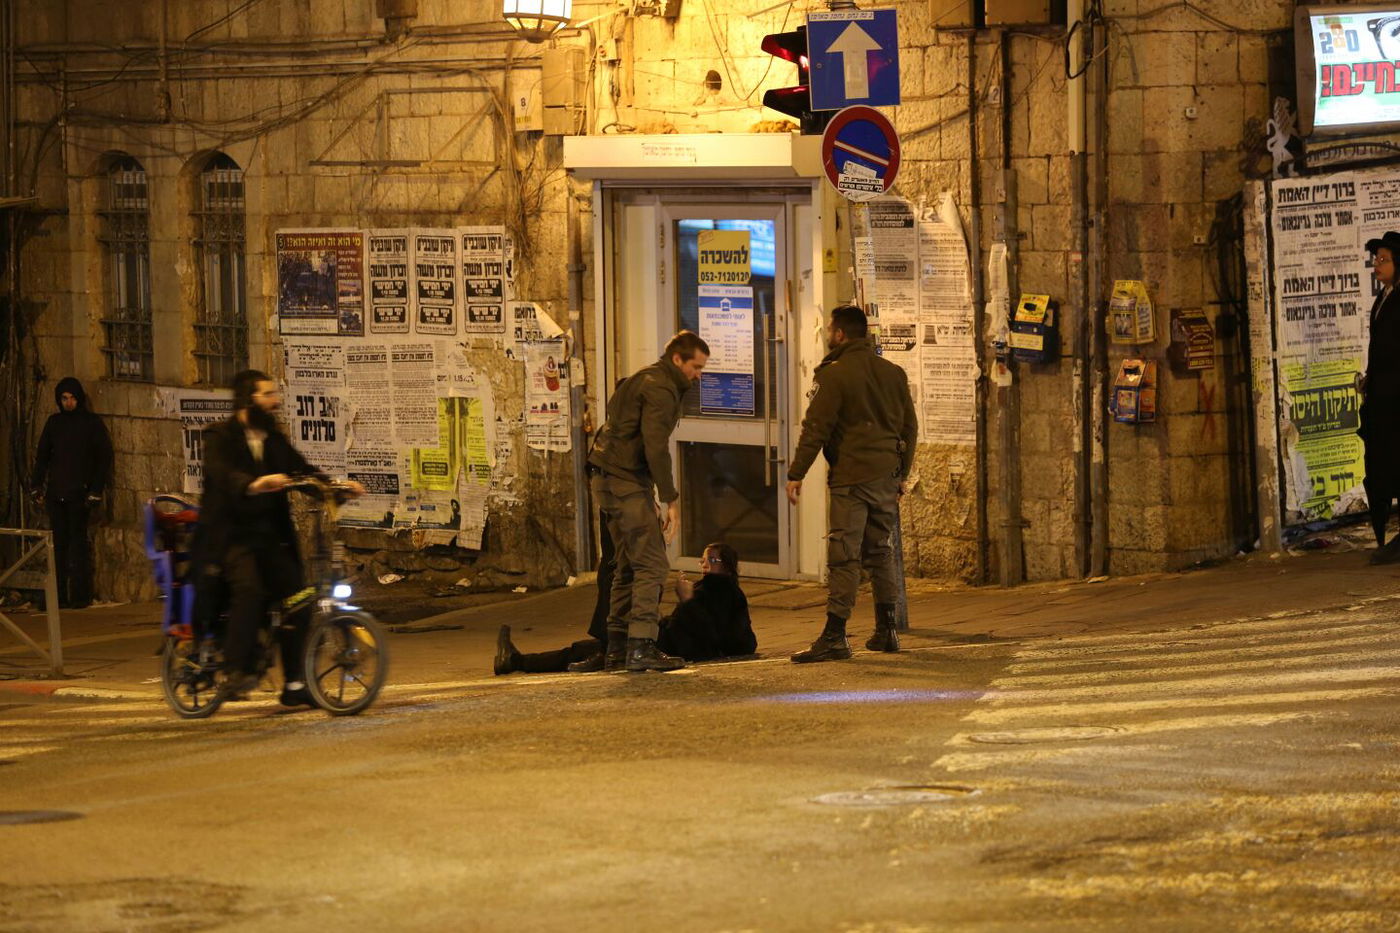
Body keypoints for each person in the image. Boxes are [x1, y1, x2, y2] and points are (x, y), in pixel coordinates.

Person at [192, 369, 364, 706]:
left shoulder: (273, 439)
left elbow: (301, 470)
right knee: (250, 590)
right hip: (230, 538)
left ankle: (296, 683)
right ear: (248, 399)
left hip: (269, 537)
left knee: (299, 599)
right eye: (268, 395)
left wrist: (336, 487)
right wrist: (253, 484)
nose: (275, 401)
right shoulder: (220, 437)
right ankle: (235, 670)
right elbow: (223, 474)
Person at [786, 304, 918, 662]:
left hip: (852, 477)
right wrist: (902, 474)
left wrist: (796, 473)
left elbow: (816, 428)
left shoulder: (834, 375)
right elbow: (909, 428)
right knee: (880, 551)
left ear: (840, 333)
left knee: (844, 555)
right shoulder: (893, 373)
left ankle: (835, 635)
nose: (829, 335)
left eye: (830, 329)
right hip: (886, 476)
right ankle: (887, 631)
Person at [587, 330, 709, 672]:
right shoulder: (662, 388)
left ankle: (617, 646)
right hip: (624, 480)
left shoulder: (642, 377)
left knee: (627, 564)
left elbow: (616, 424)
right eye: (696, 367)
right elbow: (656, 447)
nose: (699, 375)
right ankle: (641, 646)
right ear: (678, 359)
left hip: (606, 477)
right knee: (653, 565)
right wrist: (670, 499)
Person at [494, 542, 755, 674]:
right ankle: (517, 660)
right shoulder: (713, 588)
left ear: (727, 566)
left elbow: (712, 634)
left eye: (712, 560)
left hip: (671, 647)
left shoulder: (723, 591)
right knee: (586, 649)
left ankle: (516, 661)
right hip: (666, 641)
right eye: (703, 559)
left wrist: (687, 602)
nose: (705, 564)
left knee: (586, 650)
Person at [30, 377, 113, 609]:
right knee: (58, 546)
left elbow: (103, 457)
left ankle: (79, 596)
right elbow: (42, 457)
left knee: (78, 546)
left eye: (72, 398)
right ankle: (58, 596)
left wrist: (95, 489)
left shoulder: (91, 424)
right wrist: (36, 485)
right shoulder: (54, 423)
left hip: (80, 494)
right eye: (64, 398)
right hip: (57, 493)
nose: (68, 403)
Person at [1361, 231, 1400, 564]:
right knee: (1386, 464)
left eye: (1384, 260)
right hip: (1382, 399)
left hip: (1396, 399)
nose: (1378, 265)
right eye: (1376, 259)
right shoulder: (1383, 298)